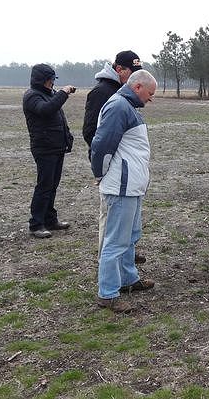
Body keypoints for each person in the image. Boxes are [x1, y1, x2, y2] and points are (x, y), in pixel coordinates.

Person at [90, 69, 157, 313]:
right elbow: (101, 145)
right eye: (150, 93)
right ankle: (107, 293)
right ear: (137, 87)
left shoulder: (127, 108)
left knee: (130, 237)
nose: (151, 99)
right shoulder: (118, 107)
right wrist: (100, 174)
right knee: (116, 241)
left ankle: (129, 279)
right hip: (121, 188)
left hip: (132, 187)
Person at [84, 50, 146, 265]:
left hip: (123, 170)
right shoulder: (103, 93)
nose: (134, 78)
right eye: (131, 72)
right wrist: (103, 166)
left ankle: (122, 259)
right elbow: (92, 133)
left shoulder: (126, 94)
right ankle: (107, 264)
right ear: (119, 69)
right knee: (110, 220)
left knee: (123, 224)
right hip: (113, 170)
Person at [22, 63, 76, 238]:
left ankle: (50, 219)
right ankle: (36, 224)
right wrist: (64, 93)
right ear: (42, 80)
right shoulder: (32, 96)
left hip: (56, 147)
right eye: (51, 80)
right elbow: (47, 110)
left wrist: (67, 138)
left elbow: (57, 116)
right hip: (44, 148)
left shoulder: (47, 95)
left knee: (52, 185)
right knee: (44, 186)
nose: (53, 83)